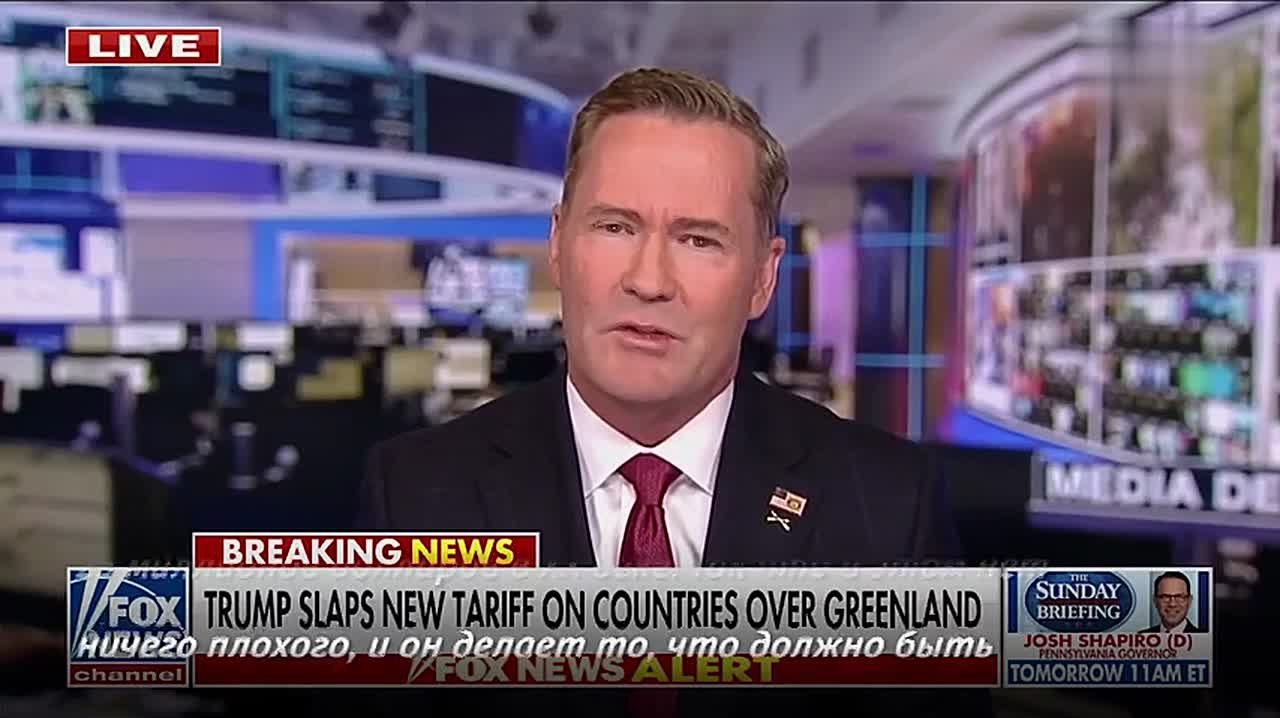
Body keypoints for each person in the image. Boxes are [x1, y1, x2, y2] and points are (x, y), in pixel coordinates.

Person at [353, 67, 987, 717]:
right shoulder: (415, 494)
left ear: (763, 277)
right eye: (615, 227)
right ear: (559, 243)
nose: (649, 280)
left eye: (698, 239)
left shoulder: (889, 505)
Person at [1140, 571, 1206, 633]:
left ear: (1189, 601)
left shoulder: (1205, 638)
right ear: (1155, 601)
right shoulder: (1141, 637)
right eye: (1165, 597)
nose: (1172, 604)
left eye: (1179, 596)